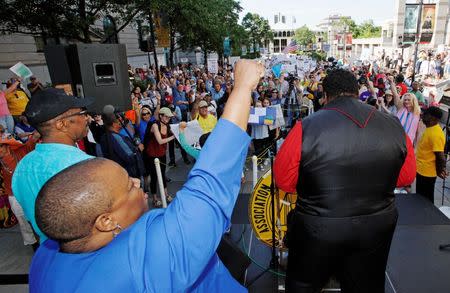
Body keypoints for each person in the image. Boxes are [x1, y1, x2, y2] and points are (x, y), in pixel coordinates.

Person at [29, 59, 264, 293]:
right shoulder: (144, 262)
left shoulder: (43, 259)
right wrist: (242, 87)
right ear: (105, 221)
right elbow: (210, 186)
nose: (136, 181)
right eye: (128, 186)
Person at [274, 69, 416, 293]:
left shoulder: (307, 126)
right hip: (375, 227)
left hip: (318, 228)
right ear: (355, 91)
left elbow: (284, 180)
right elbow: (407, 176)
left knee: (303, 285)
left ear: (326, 94)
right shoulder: (394, 124)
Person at [12, 88, 93, 243]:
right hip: (86, 256)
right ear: (62, 124)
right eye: (81, 114)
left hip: (51, 258)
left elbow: (31, 221)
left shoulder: (23, 167)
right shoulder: (85, 166)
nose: (87, 118)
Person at [0, 134, 40, 249]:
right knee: (22, 219)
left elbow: (34, 137)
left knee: (36, 216)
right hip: (13, 194)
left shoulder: (22, 151)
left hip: (30, 190)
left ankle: (44, 239)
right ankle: (33, 243)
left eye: (0, 147)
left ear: (7, 146)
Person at [416, 106, 447, 203]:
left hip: (427, 173)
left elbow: (440, 157)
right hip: (421, 170)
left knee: (426, 199)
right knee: (420, 197)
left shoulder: (436, 134)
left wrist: (440, 171)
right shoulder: (430, 128)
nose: (422, 115)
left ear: (434, 118)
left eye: (425, 114)